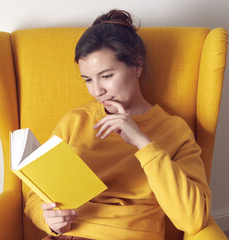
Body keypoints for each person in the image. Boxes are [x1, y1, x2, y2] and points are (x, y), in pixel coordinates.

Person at [24, 9, 211, 240]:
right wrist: (50, 221)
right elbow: (35, 196)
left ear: (137, 66)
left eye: (107, 76)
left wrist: (143, 144)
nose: (97, 91)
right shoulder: (75, 121)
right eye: (88, 80)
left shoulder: (175, 131)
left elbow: (193, 219)